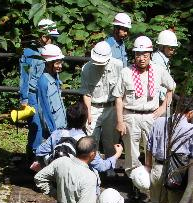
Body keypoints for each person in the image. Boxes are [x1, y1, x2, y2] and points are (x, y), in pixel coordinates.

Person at [112, 35, 176, 195]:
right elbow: (118, 97)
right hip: (130, 116)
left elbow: (171, 87)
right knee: (132, 154)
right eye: (138, 54)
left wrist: (163, 107)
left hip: (151, 116)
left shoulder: (158, 70)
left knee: (153, 150)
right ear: (134, 55)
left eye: (145, 55)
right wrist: (119, 121)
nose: (141, 58)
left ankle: (153, 184)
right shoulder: (126, 72)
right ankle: (135, 185)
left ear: (150, 54)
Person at [145, 96, 193, 203]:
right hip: (175, 172)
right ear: (191, 113)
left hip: (157, 167)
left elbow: (149, 147)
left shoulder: (158, 122)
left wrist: (149, 166)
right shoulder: (191, 129)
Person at [35, 101, 123, 173]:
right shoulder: (86, 142)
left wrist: (44, 167)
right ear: (84, 120)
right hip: (76, 179)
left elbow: (39, 151)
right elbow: (102, 166)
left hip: (57, 177)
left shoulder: (57, 134)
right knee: (94, 171)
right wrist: (117, 154)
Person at [19, 19, 60, 158]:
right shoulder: (29, 54)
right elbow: (24, 76)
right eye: (50, 38)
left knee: (48, 123)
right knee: (36, 125)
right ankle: (33, 155)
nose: (51, 41)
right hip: (32, 94)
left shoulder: (52, 50)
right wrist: (24, 98)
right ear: (42, 36)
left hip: (47, 92)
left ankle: (45, 154)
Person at [79, 41, 123, 166]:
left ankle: (110, 167)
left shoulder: (118, 66)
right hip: (93, 107)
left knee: (111, 140)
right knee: (92, 140)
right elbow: (86, 93)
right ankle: (94, 167)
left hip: (112, 107)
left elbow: (122, 91)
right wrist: (88, 113)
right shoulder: (86, 68)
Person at [37, 44, 67, 138]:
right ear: (49, 63)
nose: (60, 66)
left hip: (60, 127)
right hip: (52, 131)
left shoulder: (55, 77)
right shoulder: (43, 82)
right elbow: (44, 109)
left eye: (61, 62)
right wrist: (53, 131)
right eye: (57, 63)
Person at [152, 30, 179, 111]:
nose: (172, 51)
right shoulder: (157, 60)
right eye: (170, 48)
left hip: (163, 100)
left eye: (174, 48)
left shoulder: (163, 59)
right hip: (159, 102)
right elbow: (157, 84)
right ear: (162, 47)